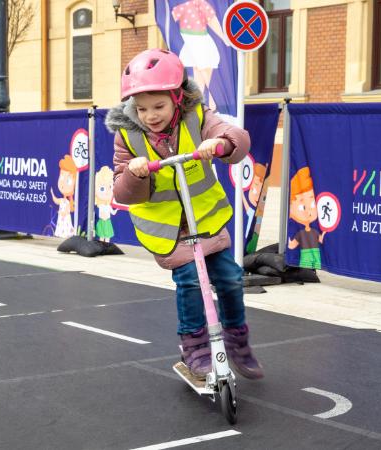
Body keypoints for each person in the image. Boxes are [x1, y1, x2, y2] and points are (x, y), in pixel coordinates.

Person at [106, 48, 263, 380]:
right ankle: (194, 347)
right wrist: (134, 173)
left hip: (205, 223)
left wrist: (222, 144)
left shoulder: (197, 117)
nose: (150, 115)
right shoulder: (127, 135)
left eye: (158, 106)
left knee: (231, 279)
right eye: (142, 108)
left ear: (177, 98)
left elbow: (234, 137)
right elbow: (121, 191)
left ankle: (237, 339)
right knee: (190, 281)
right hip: (168, 231)